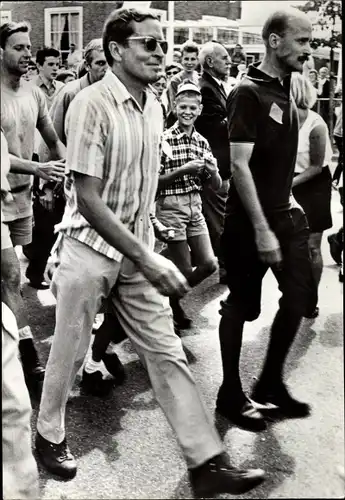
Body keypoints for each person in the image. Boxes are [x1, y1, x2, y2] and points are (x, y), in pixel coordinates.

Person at [34, 8, 265, 496]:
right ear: (117, 50)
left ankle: (206, 463)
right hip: (87, 249)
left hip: (139, 249)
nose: (160, 52)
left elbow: (140, 185)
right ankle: (47, 434)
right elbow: (90, 199)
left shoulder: (156, 105)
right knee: (70, 353)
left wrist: (152, 230)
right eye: (149, 44)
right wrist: (148, 254)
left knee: (166, 352)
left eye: (162, 44)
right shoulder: (90, 105)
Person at [216, 8, 317, 432]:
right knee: (243, 306)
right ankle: (230, 394)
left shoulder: (289, 87)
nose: (308, 51)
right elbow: (239, 166)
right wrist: (260, 229)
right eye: (302, 41)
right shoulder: (247, 92)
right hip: (248, 221)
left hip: (283, 213)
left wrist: (289, 199)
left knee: (300, 296)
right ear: (274, 41)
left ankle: (270, 383)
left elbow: (282, 158)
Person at [0, 21, 66, 398]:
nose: (27, 54)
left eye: (29, 47)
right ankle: (28, 356)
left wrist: (70, 171)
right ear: (0, 52)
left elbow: (52, 138)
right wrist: (39, 168)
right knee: (10, 276)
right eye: (19, 48)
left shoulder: (33, 94)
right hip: (0, 196)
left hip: (23, 198)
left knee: (15, 277)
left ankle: (13, 334)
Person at [156, 82, 221, 330]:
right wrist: (183, 170)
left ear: (200, 110)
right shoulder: (164, 139)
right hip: (171, 205)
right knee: (183, 267)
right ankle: (169, 306)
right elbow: (153, 183)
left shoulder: (202, 142)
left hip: (195, 206)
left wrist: (213, 172)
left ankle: (169, 300)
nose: (187, 112)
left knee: (208, 264)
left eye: (192, 108)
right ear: (175, 106)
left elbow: (214, 186)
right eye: (183, 106)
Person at [291, 72, 333, 319]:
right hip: (288, 180)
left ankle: (310, 298)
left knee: (311, 247)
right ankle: (293, 290)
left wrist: (289, 184)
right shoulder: (279, 118)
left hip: (313, 184)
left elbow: (316, 167)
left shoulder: (316, 124)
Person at [195, 41, 231, 284]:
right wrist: (236, 120)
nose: (230, 61)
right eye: (224, 57)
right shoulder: (205, 89)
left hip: (222, 165)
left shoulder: (216, 86)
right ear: (209, 62)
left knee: (220, 216)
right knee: (219, 218)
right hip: (214, 166)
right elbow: (213, 129)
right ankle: (226, 267)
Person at [166, 41, 200, 118]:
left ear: (198, 60)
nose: (189, 62)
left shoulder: (199, 78)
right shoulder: (175, 80)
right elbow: (174, 109)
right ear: (181, 59)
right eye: (186, 59)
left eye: (193, 59)